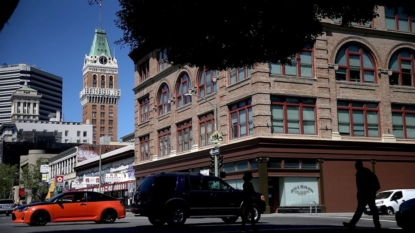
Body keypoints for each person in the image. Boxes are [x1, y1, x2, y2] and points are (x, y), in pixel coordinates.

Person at [343, 160, 381, 230]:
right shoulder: (367, 172)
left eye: (356, 165)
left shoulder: (361, 173)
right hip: (369, 194)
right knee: (371, 209)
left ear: (358, 166)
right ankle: (377, 225)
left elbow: (361, 186)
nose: (355, 167)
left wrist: (360, 194)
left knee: (361, 210)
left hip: (365, 194)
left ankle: (352, 224)